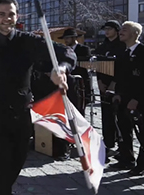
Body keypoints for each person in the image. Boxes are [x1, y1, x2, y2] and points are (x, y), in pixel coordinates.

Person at [0, 0, 76, 195]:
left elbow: (66, 53)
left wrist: (61, 69)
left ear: (17, 16)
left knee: (17, 161)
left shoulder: (29, 41)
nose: (6, 18)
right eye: (2, 14)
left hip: (22, 114)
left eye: (11, 14)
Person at [111, 21, 144, 175]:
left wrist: (137, 99)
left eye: (125, 29)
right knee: (124, 130)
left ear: (135, 34)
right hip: (123, 99)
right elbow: (120, 77)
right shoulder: (123, 53)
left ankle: (141, 165)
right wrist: (117, 93)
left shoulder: (142, 52)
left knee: (142, 133)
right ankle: (127, 159)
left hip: (139, 100)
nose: (121, 32)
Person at [93, 20, 125, 160]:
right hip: (103, 85)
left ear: (116, 30)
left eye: (110, 29)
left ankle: (123, 147)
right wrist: (99, 81)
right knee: (106, 116)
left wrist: (114, 83)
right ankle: (108, 144)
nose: (107, 32)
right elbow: (98, 65)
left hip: (118, 86)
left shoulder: (122, 46)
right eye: (105, 29)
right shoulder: (102, 47)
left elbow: (122, 68)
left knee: (120, 117)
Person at [59, 28, 91, 115]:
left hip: (80, 83)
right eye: (65, 38)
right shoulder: (64, 50)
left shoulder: (83, 49)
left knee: (80, 109)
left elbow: (86, 63)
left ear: (74, 38)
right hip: (68, 83)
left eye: (68, 38)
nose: (65, 40)